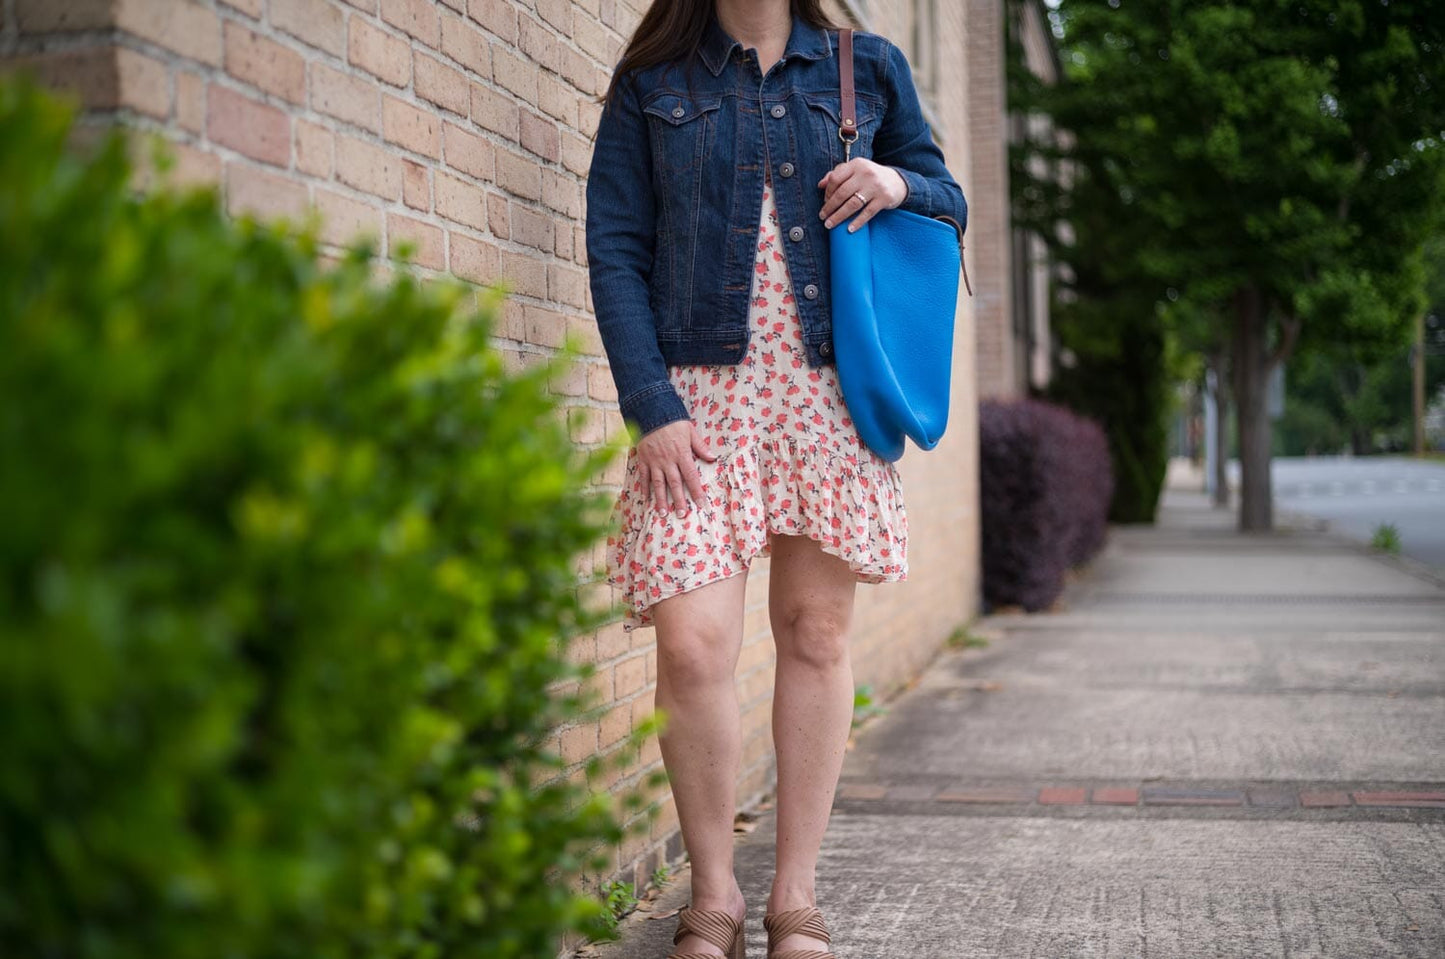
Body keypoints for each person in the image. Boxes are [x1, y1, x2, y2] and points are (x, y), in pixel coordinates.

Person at [584, 0, 967, 955]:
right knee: (694, 648)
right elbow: (614, 247)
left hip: (823, 395)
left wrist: (892, 180)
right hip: (695, 407)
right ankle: (711, 894)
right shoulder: (653, 82)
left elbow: (947, 198)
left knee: (814, 630)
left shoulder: (864, 67)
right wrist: (650, 406)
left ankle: (793, 895)